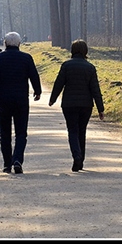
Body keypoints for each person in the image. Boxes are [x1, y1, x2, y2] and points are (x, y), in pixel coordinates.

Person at [0, 31, 42, 174]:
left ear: (5, 43)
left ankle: (7, 164)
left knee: (5, 133)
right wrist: (37, 91)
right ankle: (17, 159)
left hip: (3, 100)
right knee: (21, 132)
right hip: (21, 100)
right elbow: (34, 76)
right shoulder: (26, 58)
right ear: (19, 44)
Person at [48, 39, 105, 172]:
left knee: (72, 130)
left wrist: (53, 99)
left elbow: (59, 83)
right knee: (82, 131)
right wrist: (100, 108)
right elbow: (95, 90)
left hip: (69, 104)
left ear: (72, 51)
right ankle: (81, 160)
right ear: (85, 51)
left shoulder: (66, 66)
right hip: (86, 105)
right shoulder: (90, 67)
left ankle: (76, 156)